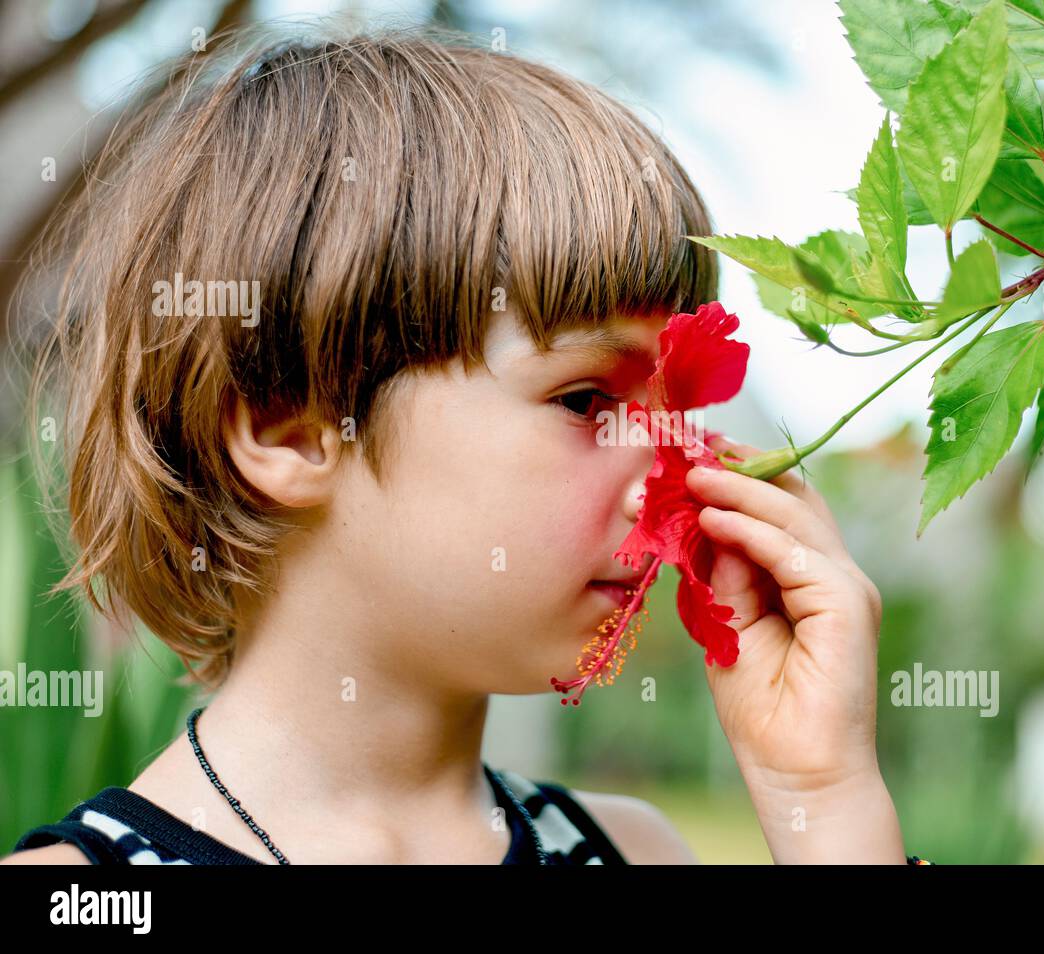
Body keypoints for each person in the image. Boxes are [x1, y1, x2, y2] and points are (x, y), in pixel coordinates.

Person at [3, 24, 922, 865]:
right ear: (288, 429)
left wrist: (822, 797)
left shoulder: (636, 851)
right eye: (587, 399)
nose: (676, 475)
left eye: (673, 410)